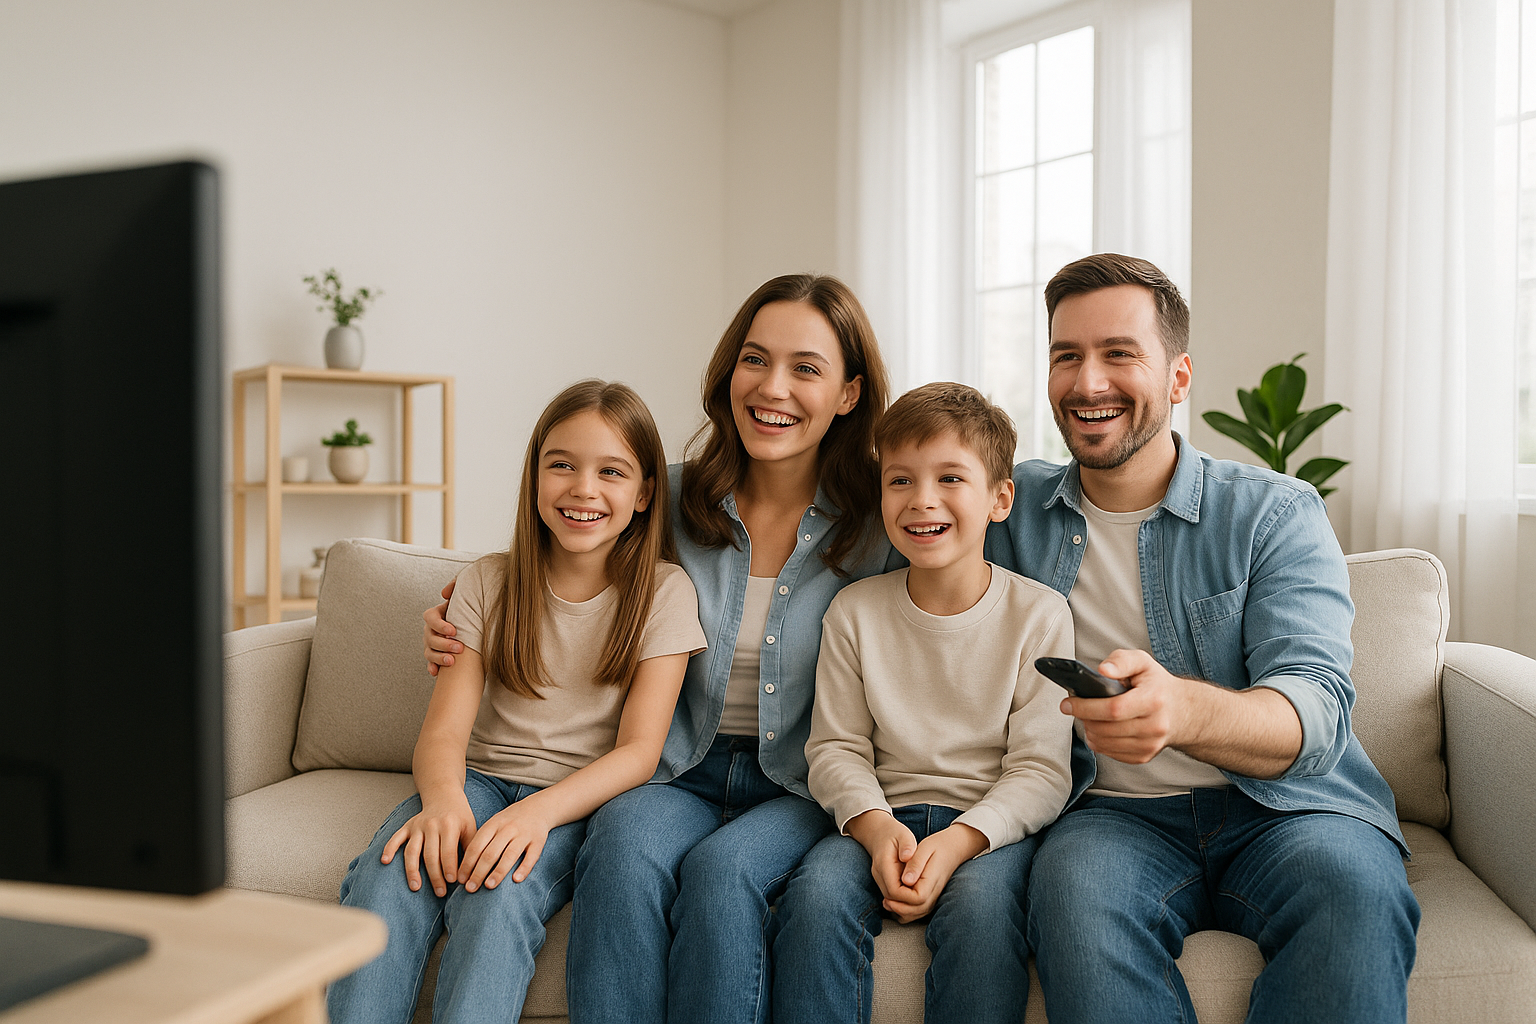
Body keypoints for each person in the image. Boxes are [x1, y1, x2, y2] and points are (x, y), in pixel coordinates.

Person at [423, 274, 893, 1024]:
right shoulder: (661, 499)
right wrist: (455, 616)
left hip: (806, 781)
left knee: (723, 873)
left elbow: (969, 548)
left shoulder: (884, 521)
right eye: (754, 358)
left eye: (806, 367)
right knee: (619, 845)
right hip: (678, 766)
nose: (772, 387)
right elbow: (552, 566)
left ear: (847, 393)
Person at [986, 253, 1419, 1024]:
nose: (1088, 383)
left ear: (1179, 378)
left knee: (1354, 892)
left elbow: (1315, 714)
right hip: (1108, 819)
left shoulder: (1274, 513)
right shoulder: (1002, 512)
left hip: (1290, 810)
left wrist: (1182, 713)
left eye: (1120, 354)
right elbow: (878, 514)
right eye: (1066, 356)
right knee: (1074, 908)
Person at [327, 379, 706, 1024]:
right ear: (534, 478)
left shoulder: (666, 592)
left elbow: (641, 752)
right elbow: (444, 732)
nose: (583, 488)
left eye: (611, 472)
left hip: (572, 801)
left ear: (644, 495)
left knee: (496, 893)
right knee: (390, 875)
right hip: (477, 781)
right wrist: (444, 804)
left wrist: (535, 817)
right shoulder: (486, 581)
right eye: (561, 465)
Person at [771, 382, 1075, 1024]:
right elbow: (834, 749)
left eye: (950, 478)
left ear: (1000, 500)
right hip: (884, 815)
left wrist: (962, 841)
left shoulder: (1039, 614)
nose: (922, 500)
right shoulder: (854, 612)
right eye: (900, 480)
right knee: (816, 899)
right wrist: (877, 829)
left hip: (988, 827)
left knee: (985, 914)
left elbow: (1042, 770)